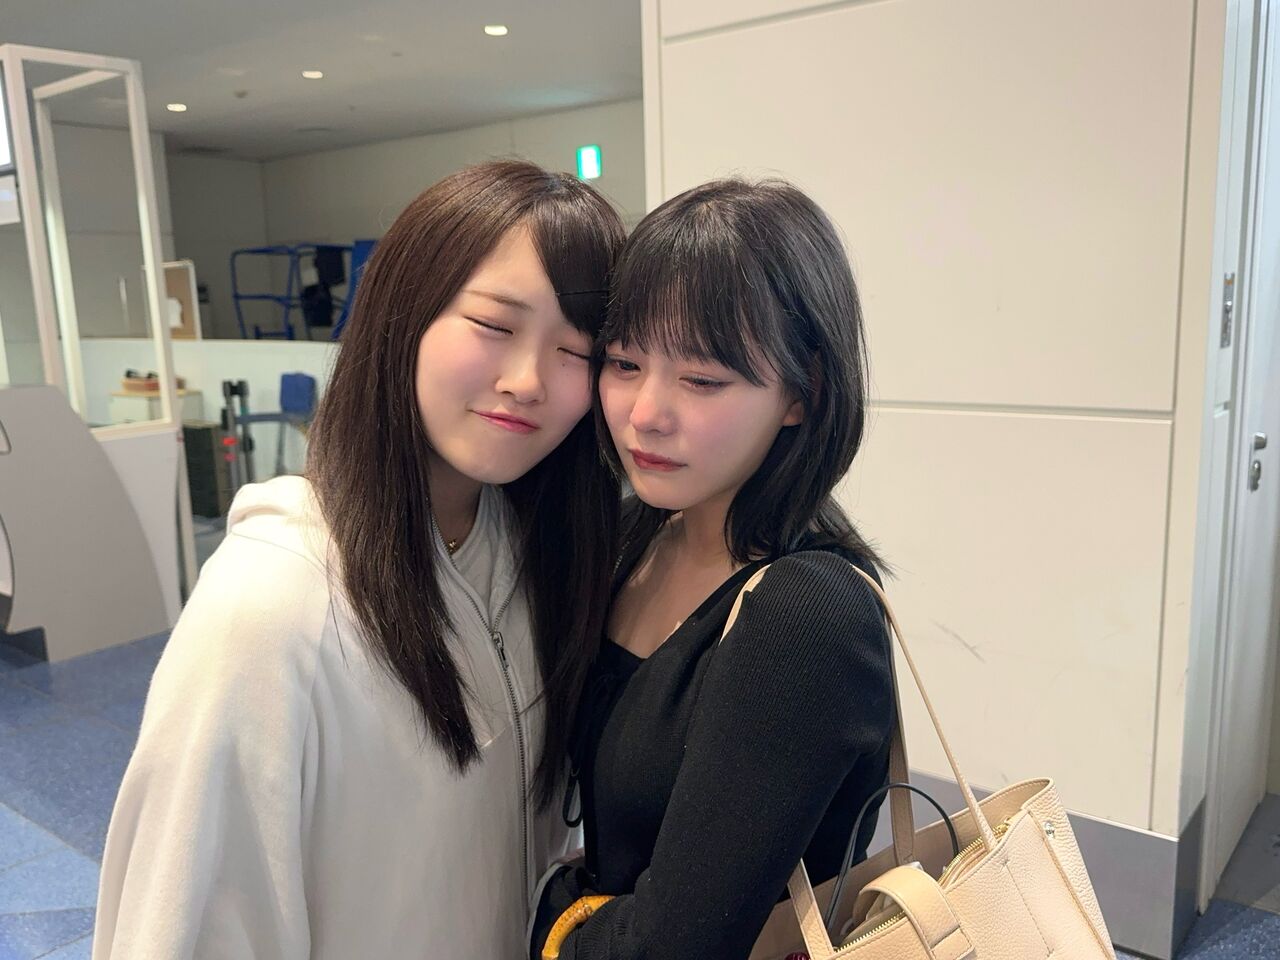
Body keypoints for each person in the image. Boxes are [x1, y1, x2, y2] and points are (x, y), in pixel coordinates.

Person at [93, 160, 624, 960]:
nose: (527, 381)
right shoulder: (273, 603)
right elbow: (183, 930)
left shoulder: (530, 556)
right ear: (402, 315)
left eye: (575, 349)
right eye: (494, 324)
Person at [532, 177, 895, 959]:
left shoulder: (805, 613)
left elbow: (675, 946)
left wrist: (542, 918)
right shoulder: (635, 535)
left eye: (702, 380)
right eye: (624, 363)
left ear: (802, 393)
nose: (645, 413)